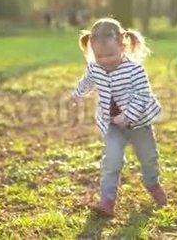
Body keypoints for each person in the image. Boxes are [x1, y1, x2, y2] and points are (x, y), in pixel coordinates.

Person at [71, 18, 167, 217]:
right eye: (99, 56)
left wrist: (128, 116)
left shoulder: (135, 70)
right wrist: (77, 94)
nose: (105, 61)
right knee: (112, 161)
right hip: (112, 124)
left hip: (139, 123)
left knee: (149, 157)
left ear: (123, 46)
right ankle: (107, 200)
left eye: (110, 55)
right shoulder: (94, 67)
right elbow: (87, 81)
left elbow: (143, 95)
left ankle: (152, 183)